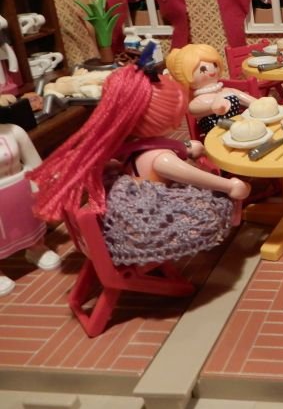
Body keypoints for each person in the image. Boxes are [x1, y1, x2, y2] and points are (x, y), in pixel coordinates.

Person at [28, 53, 250, 267]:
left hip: (142, 195)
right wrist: (229, 185)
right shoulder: (161, 159)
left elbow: (154, 147)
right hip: (149, 220)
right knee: (217, 203)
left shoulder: (134, 143)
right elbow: (192, 175)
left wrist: (187, 147)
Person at [0, 123, 60, 296]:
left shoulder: (14, 132)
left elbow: (35, 163)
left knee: (26, 222)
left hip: (20, 193)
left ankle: (36, 249)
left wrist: (42, 185)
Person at [166, 43, 257, 136]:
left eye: (215, 64)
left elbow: (253, 102)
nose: (212, 70)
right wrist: (212, 106)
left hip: (241, 132)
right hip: (216, 139)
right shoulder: (198, 101)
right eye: (203, 69)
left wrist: (259, 104)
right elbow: (192, 109)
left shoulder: (228, 91)